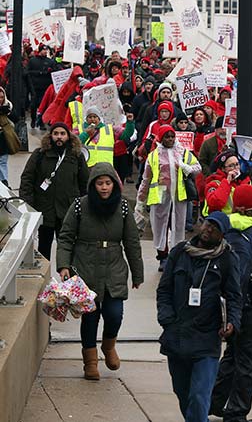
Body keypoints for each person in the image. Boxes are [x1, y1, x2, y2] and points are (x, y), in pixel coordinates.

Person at [56, 163, 144, 380]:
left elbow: (131, 242)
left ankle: (108, 345)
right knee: (90, 317)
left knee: (115, 314)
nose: (104, 188)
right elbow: (66, 237)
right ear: (92, 185)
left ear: (114, 185)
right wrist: (64, 265)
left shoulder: (123, 208)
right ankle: (90, 362)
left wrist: (137, 273)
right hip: (85, 267)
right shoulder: (79, 206)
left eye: (107, 183)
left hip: (114, 267)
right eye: (99, 183)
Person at [157, 212, 242, 422]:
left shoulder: (227, 259)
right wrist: (166, 319)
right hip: (177, 335)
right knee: (182, 392)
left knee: (199, 395)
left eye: (215, 227)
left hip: (206, 338)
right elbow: (164, 291)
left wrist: (232, 322)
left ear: (222, 235)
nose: (208, 229)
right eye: (207, 224)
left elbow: (234, 297)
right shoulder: (180, 252)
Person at [210, 186, 252, 422]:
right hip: (249, 306)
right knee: (247, 362)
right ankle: (236, 414)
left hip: (226, 304)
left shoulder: (224, 228)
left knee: (231, 356)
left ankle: (215, 403)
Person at [20, 122, 89, 259]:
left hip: (68, 210)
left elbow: (85, 183)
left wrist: (84, 207)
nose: (59, 137)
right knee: (44, 248)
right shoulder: (40, 155)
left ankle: (68, 278)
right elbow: (27, 178)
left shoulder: (76, 156)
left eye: (62, 134)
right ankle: (45, 279)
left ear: (68, 136)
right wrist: (28, 203)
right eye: (56, 133)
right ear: (50, 135)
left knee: (67, 248)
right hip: (45, 209)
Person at [136, 125, 201, 270]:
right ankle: (163, 257)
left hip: (178, 197)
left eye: (172, 136)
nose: (170, 139)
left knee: (178, 227)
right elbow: (145, 180)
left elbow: (198, 167)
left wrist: (188, 168)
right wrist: (140, 201)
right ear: (161, 138)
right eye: (167, 136)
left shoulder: (183, 152)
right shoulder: (153, 156)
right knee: (161, 228)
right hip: (160, 198)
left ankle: (176, 256)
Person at [0, 86, 19, 186]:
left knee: (3, 161)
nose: (0, 99)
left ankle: (4, 182)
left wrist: (8, 112)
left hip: (3, 138)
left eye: (2, 97)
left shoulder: (8, 106)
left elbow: (16, 118)